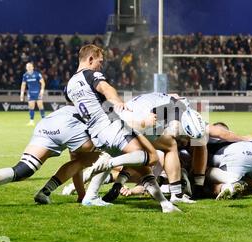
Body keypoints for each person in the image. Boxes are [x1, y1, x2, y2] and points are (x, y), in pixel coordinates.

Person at [41, 44, 178, 212]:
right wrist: (118, 101)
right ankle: (107, 164)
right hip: (110, 126)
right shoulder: (90, 74)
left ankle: (164, 204)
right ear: (90, 59)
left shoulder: (69, 86)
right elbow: (106, 88)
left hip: (97, 134)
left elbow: (80, 108)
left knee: (144, 168)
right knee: (149, 157)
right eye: (100, 61)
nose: (101, 65)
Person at [0, 105, 96, 208]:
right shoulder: (100, 113)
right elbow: (77, 162)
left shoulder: (74, 105)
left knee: (23, 170)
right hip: (71, 127)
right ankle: (92, 196)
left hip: (48, 124)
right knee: (102, 158)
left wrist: (81, 195)